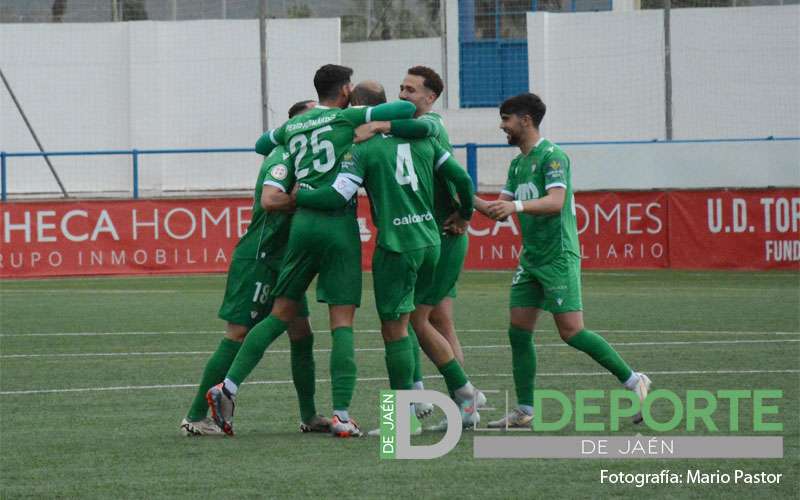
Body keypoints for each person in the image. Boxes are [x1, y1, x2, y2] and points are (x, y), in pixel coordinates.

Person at [207, 64, 418, 438]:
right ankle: (340, 415)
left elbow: (260, 145)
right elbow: (404, 111)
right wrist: (374, 123)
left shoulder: (293, 125)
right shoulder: (344, 117)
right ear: (344, 90)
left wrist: (293, 137)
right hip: (337, 224)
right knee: (342, 323)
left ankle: (227, 388)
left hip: (302, 223)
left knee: (280, 312)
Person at [293, 81, 481, 433]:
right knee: (418, 324)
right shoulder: (421, 138)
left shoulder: (360, 149)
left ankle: (403, 422)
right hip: (430, 242)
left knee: (395, 332)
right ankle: (465, 393)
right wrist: (466, 213)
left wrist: (299, 194)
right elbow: (461, 177)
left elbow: (337, 196)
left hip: (396, 245)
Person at [484, 93, 651, 428]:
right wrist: (455, 190)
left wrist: (515, 207)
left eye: (506, 119)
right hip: (531, 258)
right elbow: (496, 209)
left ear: (525, 120)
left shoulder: (553, 156)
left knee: (572, 331)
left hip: (559, 257)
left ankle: (635, 380)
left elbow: (556, 201)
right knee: (518, 330)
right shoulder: (518, 164)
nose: (502, 126)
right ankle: (525, 410)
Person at [180, 100, 328, 436]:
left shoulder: (308, 160)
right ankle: (195, 416)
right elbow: (271, 200)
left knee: (302, 335)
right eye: (313, 118)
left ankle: (309, 416)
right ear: (296, 126)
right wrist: (312, 199)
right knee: (237, 333)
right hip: (260, 258)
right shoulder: (281, 157)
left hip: (286, 261)